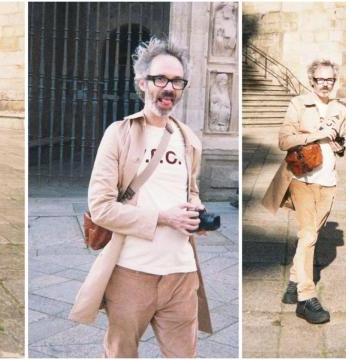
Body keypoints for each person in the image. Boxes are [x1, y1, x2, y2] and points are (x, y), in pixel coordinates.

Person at [69, 37, 213, 357]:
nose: (169, 88)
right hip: (131, 271)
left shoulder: (188, 138)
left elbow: (190, 190)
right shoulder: (119, 134)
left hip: (182, 274)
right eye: (160, 79)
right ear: (142, 83)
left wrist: (196, 212)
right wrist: (164, 217)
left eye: (177, 81)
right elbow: (101, 207)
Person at [262, 59, 346, 324]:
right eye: (321, 79)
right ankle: (305, 297)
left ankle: (293, 280)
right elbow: (283, 140)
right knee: (309, 235)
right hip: (302, 177)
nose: (325, 83)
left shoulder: (340, 109)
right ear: (312, 80)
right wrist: (315, 135)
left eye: (330, 79)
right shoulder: (298, 104)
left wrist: (339, 147)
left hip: (328, 181)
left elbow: (342, 143)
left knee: (309, 236)